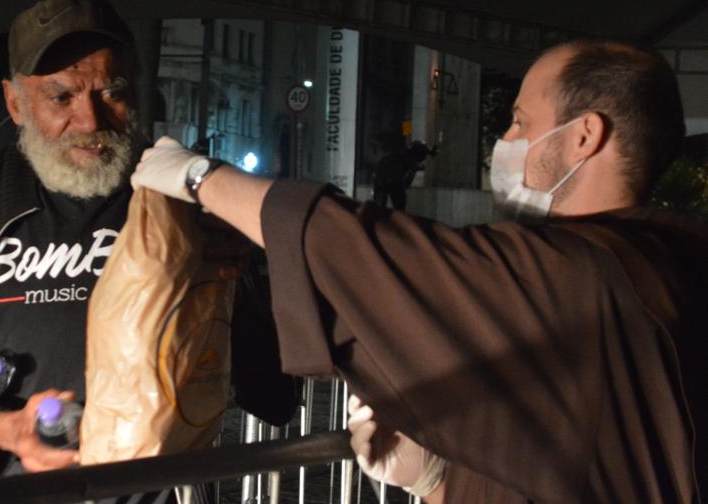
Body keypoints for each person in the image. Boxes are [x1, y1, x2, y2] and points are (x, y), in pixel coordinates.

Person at [132, 40, 706, 502]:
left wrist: (200, 177)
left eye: (519, 122)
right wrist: (437, 484)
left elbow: (362, 251)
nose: (503, 143)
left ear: (583, 136)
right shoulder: (670, 258)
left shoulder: (583, 273)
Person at [0, 0, 296, 490]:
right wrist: (5, 431)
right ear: (15, 103)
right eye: (61, 97)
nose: (90, 122)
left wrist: (237, 289)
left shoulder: (179, 197)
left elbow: (274, 396)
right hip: (2, 492)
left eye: (111, 92)